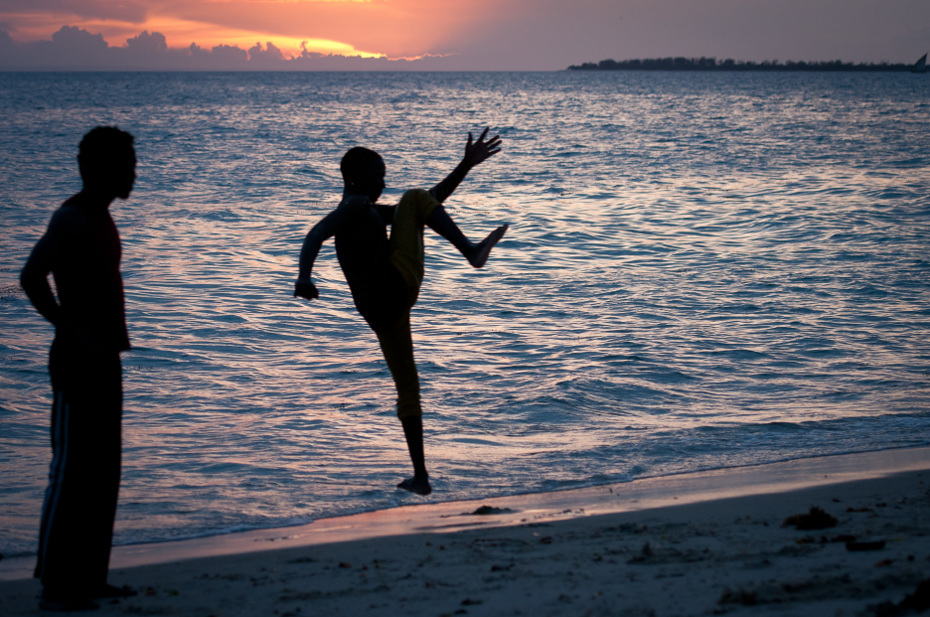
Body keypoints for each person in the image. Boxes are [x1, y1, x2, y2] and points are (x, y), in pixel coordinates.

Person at [294, 128, 508, 496]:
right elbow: (314, 234)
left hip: (380, 312)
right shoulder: (353, 207)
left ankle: (421, 477)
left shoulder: (364, 210)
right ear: (357, 178)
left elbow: (432, 203)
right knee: (413, 196)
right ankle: (471, 252)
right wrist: (302, 278)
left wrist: (464, 167)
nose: (383, 181)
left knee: (408, 388)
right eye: (379, 175)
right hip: (396, 288)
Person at [20, 126, 137, 611]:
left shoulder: (101, 215)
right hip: (76, 361)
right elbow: (31, 277)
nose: (133, 172)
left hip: (106, 358)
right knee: (71, 468)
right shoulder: (71, 217)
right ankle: (55, 581)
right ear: (104, 168)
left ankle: (90, 576)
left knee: (102, 469)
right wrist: (70, 329)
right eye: (127, 163)